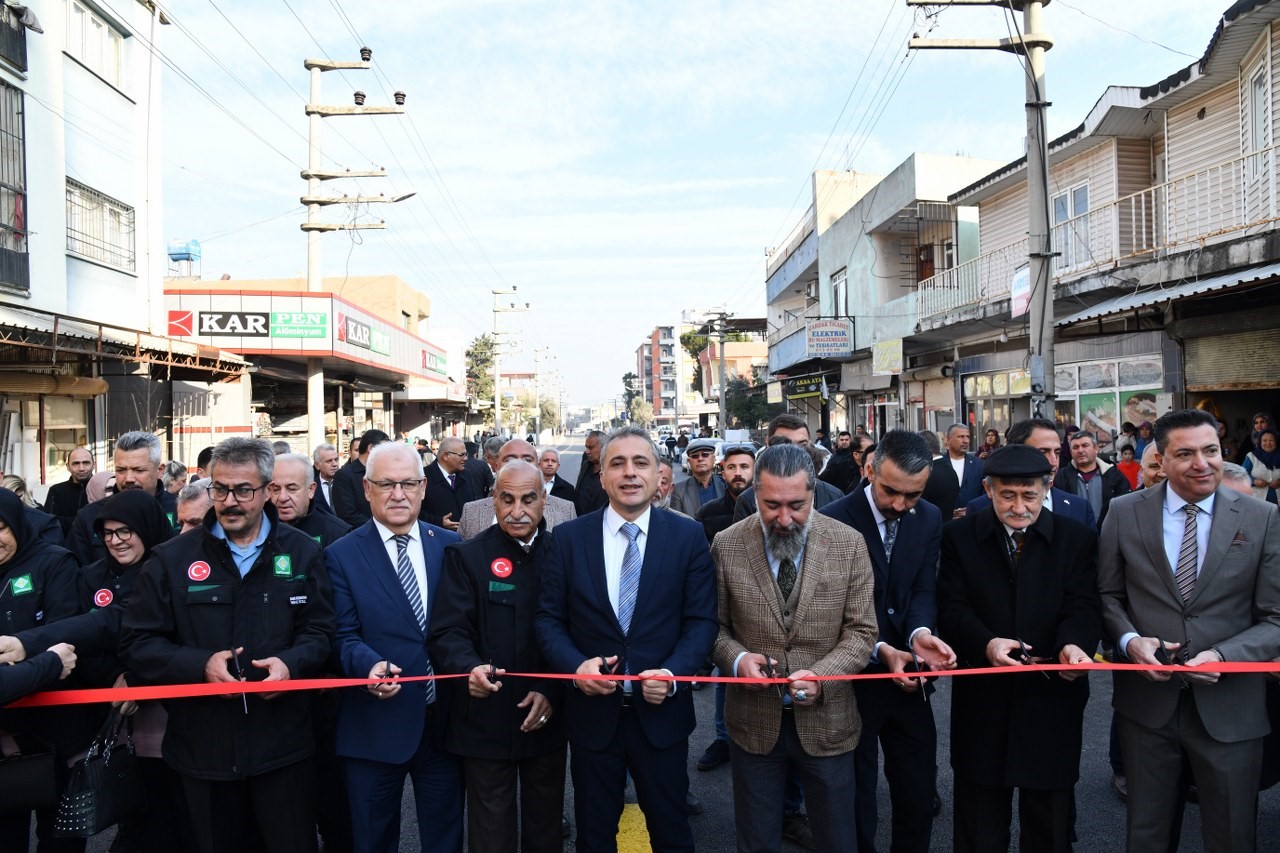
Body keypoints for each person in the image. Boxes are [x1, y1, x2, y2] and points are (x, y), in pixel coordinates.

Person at [121, 437, 334, 853]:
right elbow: (137, 643)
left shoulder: (301, 552)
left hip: (282, 750)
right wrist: (198, 664)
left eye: (243, 490)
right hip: (203, 753)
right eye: (220, 489)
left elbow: (321, 633)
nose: (230, 501)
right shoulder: (170, 559)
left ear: (268, 490)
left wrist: (290, 665)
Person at [1099, 408, 1280, 852]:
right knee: (1147, 835)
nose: (1202, 463)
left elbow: (1275, 617)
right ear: (1159, 459)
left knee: (1233, 836)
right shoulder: (1123, 512)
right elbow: (1106, 597)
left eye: (1211, 450)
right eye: (1186, 453)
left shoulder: (1262, 518)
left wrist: (1223, 656)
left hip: (1231, 707)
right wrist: (1129, 641)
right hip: (1147, 708)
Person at [535, 425, 717, 852]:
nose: (629, 473)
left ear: (658, 475)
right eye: (617, 463)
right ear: (601, 476)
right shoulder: (567, 539)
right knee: (595, 835)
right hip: (593, 719)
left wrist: (673, 673)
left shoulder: (687, 536)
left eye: (641, 463)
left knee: (672, 832)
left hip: (662, 717)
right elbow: (547, 620)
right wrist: (575, 666)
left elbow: (702, 621)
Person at [711, 443, 878, 851]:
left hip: (830, 723)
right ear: (754, 493)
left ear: (814, 493)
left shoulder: (849, 543)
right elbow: (713, 628)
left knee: (838, 838)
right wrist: (736, 660)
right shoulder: (727, 544)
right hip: (753, 725)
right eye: (770, 505)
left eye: (796, 505)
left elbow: (862, 631)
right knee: (756, 840)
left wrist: (824, 677)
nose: (784, 519)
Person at [937, 443, 1101, 852]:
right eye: (1007, 495)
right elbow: (951, 607)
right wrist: (986, 642)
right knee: (979, 821)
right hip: (984, 695)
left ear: (1047, 488)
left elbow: (1084, 605)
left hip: (1052, 696)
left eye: (1029, 495)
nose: (1018, 506)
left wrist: (1073, 645)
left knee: (1049, 823)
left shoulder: (1075, 538)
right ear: (989, 490)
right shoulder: (958, 537)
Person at [820, 430, 957, 853]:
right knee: (857, 796)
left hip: (910, 680)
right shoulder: (832, 519)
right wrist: (881, 649)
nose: (900, 505)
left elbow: (921, 589)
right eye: (891, 491)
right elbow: (831, 607)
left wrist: (920, 635)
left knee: (917, 791)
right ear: (868, 470)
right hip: (855, 679)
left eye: (912, 495)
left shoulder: (930, 517)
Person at [325, 442, 464, 853]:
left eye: (407, 483)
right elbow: (342, 635)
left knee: (446, 839)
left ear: (424, 488)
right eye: (386, 484)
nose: (398, 494)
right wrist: (368, 666)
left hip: (442, 727)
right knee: (373, 840)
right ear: (367, 489)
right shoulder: (340, 555)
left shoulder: (450, 548)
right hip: (373, 726)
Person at [429, 460, 567, 853]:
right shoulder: (467, 557)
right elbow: (446, 632)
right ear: (493, 499)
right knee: (491, 834)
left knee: (546, 830)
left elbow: (576, 633)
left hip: (545, 717)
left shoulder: (565, 554)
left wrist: (550, 693)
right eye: (506, 499)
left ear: (545, 501)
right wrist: (467, 667)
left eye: (528, 499)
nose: (517, 510)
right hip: (484, 720)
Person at [74, 490, 195, 853]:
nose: (116, 541)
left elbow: (177, 638)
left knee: (176, 817)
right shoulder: (90, 575)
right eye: (108, 533)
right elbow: (82, 637)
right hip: (114, 719)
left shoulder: (171, 570)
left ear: (147, 528)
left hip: (168, 719)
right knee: (133, 818)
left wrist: (137, 676)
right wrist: (116, 676)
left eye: (125, 531)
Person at [0, 487, 87, 852]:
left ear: (18, 524)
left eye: (1, 528)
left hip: (56, 729)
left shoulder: (54, 562)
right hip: (3, 732)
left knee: (60, 838)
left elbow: (66, 635)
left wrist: (21, 651)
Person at [693, 444, 755, 776]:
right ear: (723, 471)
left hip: (756, 604)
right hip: (721, 603)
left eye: (745, 466)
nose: (738, 473)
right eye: (732, 467)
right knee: (725, 674)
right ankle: (723, 738)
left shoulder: (767, 506)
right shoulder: (709, 513)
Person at [70, 431, 179, 565]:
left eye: (138, 470)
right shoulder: (88, 517)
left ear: (160, 470)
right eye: (121, 470)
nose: (128, 479)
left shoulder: (181, 511)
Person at [964, 418, 1095, 527]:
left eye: (1057, 453)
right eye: (1043, 452)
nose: (1053, 462)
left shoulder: (1080, 508)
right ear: (1016, 452)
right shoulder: (979, 508)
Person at [733, 416, 843, 522]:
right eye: (785, 444)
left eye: (802, 444)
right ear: (768, 445)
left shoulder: (834, 496)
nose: (795, 451)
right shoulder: (747, 501)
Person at [458, 440, 576, 539]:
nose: (519, 465)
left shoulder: (565, 511)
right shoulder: (471, 512)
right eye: (509, 460)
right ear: (496, 466)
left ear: (538, 466)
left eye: (528, 460)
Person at [270, 453, 352, 549]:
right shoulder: (257, 531)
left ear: (311, 490)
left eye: (292, 489)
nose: (282, 497)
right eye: (276, 490)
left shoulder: (337, 534)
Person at [1054, 430, 1132, 528]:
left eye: (1085, 445)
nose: (1080, 450)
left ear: (1096, 449)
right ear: (1071, 452)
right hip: (1074, 534)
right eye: (1075, 447)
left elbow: (1126, 506)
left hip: (1107, 534)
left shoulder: (1114, 476)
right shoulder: (1061, 477)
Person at [921, 423, 983, 519]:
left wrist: (971, 510)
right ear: (949, 439)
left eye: (968, 437)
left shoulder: (978, 464)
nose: (966, 441)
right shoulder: (938, 464)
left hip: (972, 521)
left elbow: (984, 494)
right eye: (961, 437)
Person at [331, 429, 390, 528]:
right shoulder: (344, 475)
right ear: (371, 448)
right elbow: (347, 514)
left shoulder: (384, 472)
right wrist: (380, 526)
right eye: (385, 449)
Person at [423, 436, 479, 532]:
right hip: (437, 537)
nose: (465, 458)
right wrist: (439, 522)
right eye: (461, 455)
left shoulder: (466, 475)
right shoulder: (424, 478)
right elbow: (416, 513)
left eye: (466, 454)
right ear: (446, 456)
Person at [44, 447, 94, 534]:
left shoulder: (103, 488)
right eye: (76, 463)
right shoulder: (56, 491)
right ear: (68, 467)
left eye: (86, 463)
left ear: (94, 464)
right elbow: (49, 522)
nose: (81, 468)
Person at [671, 437, 726, 516]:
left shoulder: (725, 485)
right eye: (695, 456)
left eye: (705, 455)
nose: (700, 459)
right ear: (689, 462)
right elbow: (676, 521)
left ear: (713, 459)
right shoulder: (679, 490)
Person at [574, 429, 609, 515]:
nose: (587, 451)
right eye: (586, 447)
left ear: (603, 447)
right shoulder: (586, 463)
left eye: (591, 447)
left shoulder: (611, 470)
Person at [1243, 427, 1280, 504]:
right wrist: (1254, 481)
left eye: (1271, 440)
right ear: (1260, 442)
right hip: (1257, 501)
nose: (1268, 443)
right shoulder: (1252, 457)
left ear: (1276, 442)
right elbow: (1241, 474)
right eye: (1264, 440)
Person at [311, 442, 341, 514]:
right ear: (317, 465)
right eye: (329, 461)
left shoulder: (347, 482)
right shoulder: (311, 487)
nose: (334, 464)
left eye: (336, 460)